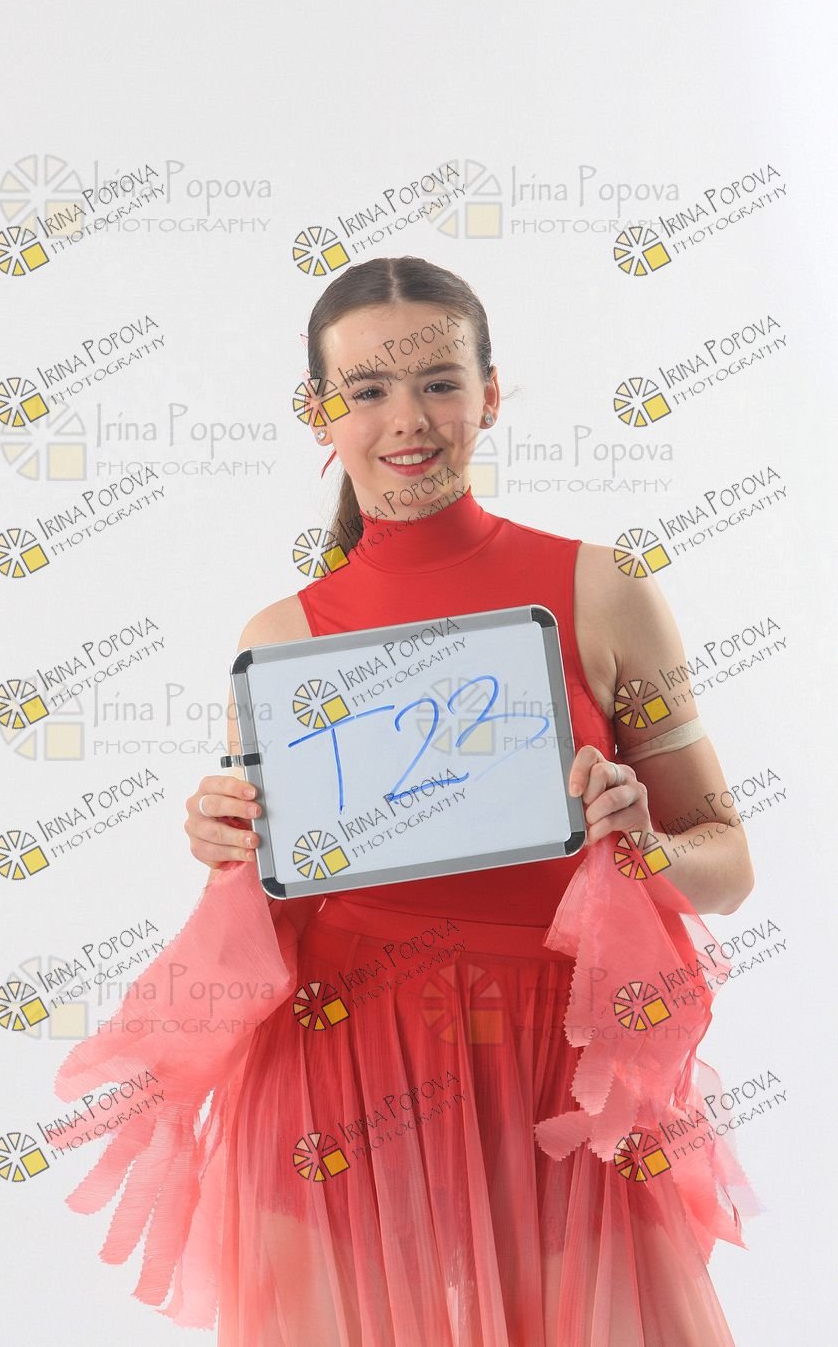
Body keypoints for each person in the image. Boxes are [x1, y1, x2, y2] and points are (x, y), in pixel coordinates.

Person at [51, 256, 758, 1346]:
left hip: (553, 1061)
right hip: (344, 1059)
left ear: (490, 393)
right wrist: (231, 847)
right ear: (319, 412)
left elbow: (728, 864)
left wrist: (641, 842)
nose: (408, 420)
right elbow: (291, 884)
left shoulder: (603, 589)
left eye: (439, 381)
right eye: (368, 390)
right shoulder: (280, 638)